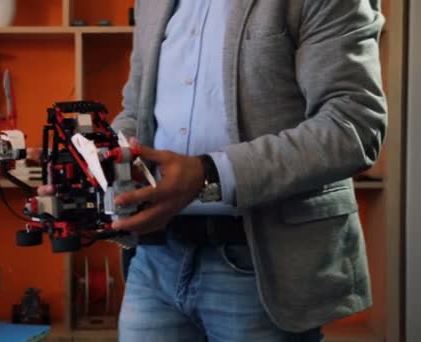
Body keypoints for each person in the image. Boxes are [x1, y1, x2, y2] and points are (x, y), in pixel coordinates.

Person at [106, 0, 387, 341]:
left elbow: (353, 125)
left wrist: (208, 173)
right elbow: (137, 110)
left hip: (263, 265)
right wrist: (98, 161)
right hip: (155, 258)